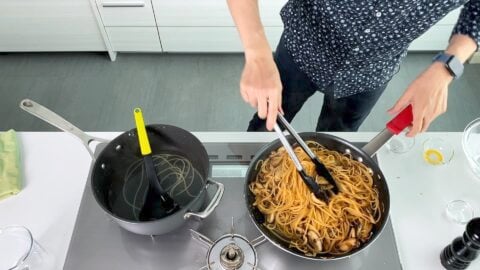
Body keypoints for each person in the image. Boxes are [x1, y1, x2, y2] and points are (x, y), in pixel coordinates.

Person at [227, 0, 479, 136]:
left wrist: (447, 66)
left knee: (336, 140)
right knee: (267, 123)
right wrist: (257, 52)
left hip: (372, 70)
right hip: (303, 44)